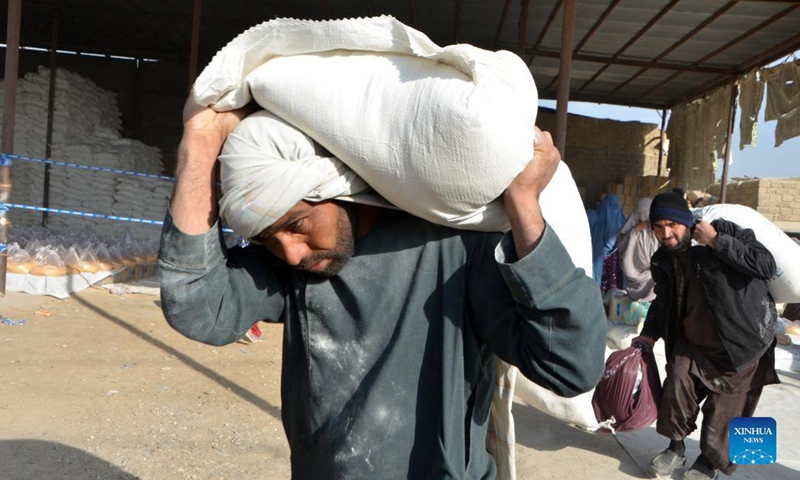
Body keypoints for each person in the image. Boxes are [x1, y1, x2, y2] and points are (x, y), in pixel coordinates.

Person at [158, 98, 607, 479]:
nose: (291, 253)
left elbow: (569, 366)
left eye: (296, 225)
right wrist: (200, 145)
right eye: (267, 239)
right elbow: (197, 308)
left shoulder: (458, 247)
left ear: (336, 187)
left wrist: (524, 205)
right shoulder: (298, 268)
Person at [632, 191, 779, 480]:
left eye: (672, 225)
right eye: (658, 227)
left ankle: (709, 462)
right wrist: (648, 335)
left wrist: (716, 241)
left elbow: (766, 266)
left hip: (740, 345)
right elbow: (662, 301)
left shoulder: (723, 231)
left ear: (686, 221)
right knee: (676, 387)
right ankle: (675, 448)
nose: (666, 234)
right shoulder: (664, 258)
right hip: (693, 341)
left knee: (724, 411)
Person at [616, 197, 659, 302]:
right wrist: (634, 231)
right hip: (631, 276)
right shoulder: (630, 227)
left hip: (650, 278)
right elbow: (620, 246)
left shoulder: (656, 230)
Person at [590, 193, 625, 289]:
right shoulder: (595, 220)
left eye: (617, 207)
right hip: (599, 259)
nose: (615, 210)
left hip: (613, 262)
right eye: (612, 206)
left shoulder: (623, 221)